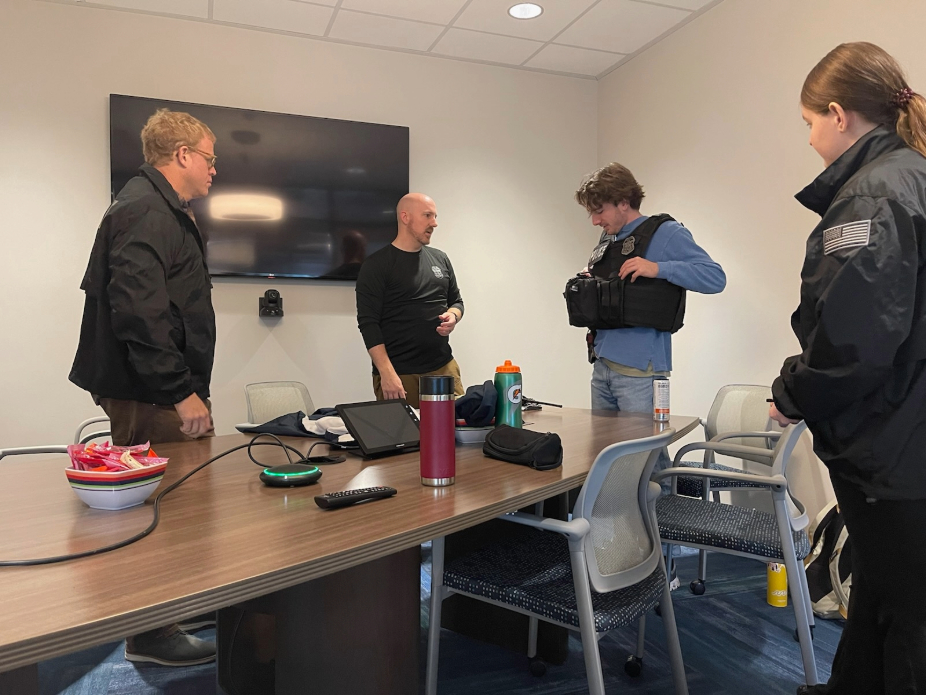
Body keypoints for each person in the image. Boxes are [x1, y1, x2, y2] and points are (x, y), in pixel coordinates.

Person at [769, 42, 926, 695]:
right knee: (886, 591)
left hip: (892, 442)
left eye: (809, 122)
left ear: (839, 115)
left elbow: (853, 342)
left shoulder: (872, 196)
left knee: (909, 615)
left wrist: (790, 390)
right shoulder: (913, 174)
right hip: (908, 431)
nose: (809, 139)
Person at [69, 108, 218, 667]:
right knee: (155, 509)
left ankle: (170, 609)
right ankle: (151, 632)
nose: (212, 170)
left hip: (157, 386)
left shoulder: (154, 206)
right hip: (151, 391)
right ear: (181, 154)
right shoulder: (144, 209)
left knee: (181, 506)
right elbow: (138, 311)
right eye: (208, 158)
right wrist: (180, 392)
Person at [574, 163, 726, 415]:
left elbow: (715, 278)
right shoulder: (608, 240)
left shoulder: (665, 233)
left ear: (623, 202)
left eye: (600, 211)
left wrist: (659, 268)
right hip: (601, 367)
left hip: (639, 374)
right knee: (605, 451)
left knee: (644, 452)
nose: (595, 221)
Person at [355, 192, 465, 408]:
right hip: (399, 375)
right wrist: (387, 374)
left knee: (456, 436)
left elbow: (457, 302)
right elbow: (368, 324)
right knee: (409, 441)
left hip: (443, 367)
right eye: (427, 216)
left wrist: (453, 315)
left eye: (435, 216)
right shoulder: (376, 265)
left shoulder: (440, 258)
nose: (434, 223)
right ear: (405, 217)